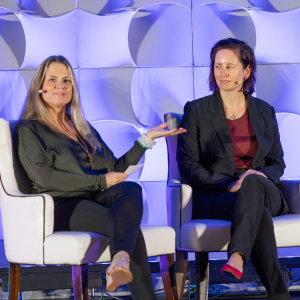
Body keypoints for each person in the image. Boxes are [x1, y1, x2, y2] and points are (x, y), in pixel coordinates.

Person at [16, 55, 186, 300]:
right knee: (128, 228)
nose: (60, 85)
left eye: (66, 80)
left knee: (131, 191)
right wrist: (100, 182)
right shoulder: (30, 129)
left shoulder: (80, 126)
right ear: (39, 87)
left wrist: (147, 139)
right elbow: (44, 178)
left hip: (93, 196)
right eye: (52, 80)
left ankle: (120, 259)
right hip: (61, 206)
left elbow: (114, 168)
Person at [177, 38, 291, 300]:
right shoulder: (196, 110)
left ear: (246, 71)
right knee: (257, 213)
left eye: (230, 66)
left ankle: (238, 254)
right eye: (218, 66)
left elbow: (277, 162)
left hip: (264, 188)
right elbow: (188, 165)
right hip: (221, 195)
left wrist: (256, 177)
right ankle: (278, 294)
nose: (223, 73)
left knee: (253, 184)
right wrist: (228, 184)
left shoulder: (264, 110)